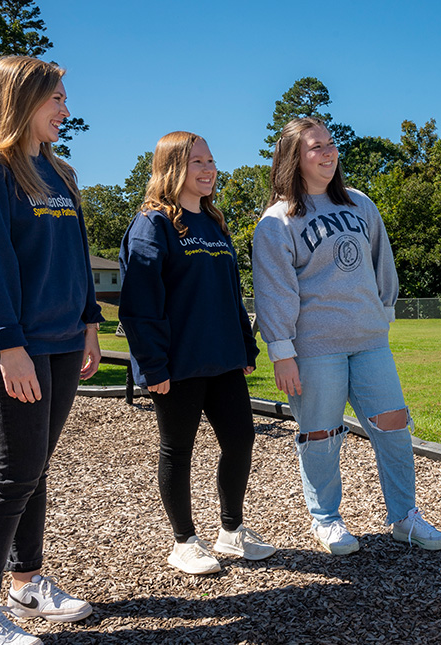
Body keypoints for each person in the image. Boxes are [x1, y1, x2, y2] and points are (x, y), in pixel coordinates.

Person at [0, 55, 102, 645]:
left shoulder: (59, 173)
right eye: (55, 98)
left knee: (34, 468)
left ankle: (27, 581)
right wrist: (7, 344)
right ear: (20, 99)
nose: (66, 108)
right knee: (12, 472)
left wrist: (89, 323)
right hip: (10, 345)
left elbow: (76, 260)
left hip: (63, 341)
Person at [253, 117, 441, 555]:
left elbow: (383, 264)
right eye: (314, 147)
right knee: (321, 434)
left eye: (330, 144)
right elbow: (274, 290)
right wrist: (281, 351)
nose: (327, 153)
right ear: (293, 158)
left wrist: (382, 315)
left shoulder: (360, 204)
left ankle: (405, 517)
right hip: (314, 348)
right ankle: (326, 519)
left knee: (395, 426)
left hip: (370, 342)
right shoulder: (278, 220)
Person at [119, 132, 275, 575]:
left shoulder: (214, 222)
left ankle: (231, 530)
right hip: (177, 363)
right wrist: (152, 365)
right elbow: (139, 303)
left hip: (223, 358)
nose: (208, 170)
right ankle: (184, 541)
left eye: (211, 161)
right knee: (177, 450)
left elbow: (231, 294)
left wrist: (246, 346)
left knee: (241, 440)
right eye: (197, 162)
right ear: (172, 167)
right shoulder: (153, 224)